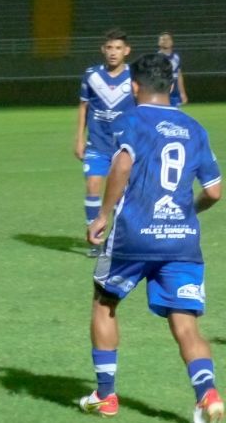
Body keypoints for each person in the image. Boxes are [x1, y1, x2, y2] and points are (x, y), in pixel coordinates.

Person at [80, 53, 223, 422]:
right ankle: (207, 395)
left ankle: (106, 396)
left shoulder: (131, 119)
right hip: (182, 241)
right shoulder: (195, 128)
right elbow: (215, 191)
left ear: (133, 86)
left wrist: (102, 215)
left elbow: (123, 163)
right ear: (173, 86)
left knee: (104, 302)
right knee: (185, 322)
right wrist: (187, 210)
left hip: (134, 236)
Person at [74, 28, 135, 257]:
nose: (113, 52)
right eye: (109, 47)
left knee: (121, 193)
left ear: (126, 51)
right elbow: (83, 107)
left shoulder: (133, 76)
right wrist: (79, 138)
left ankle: (117, 240)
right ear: (103, 49)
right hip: (97, 143)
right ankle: (95, 240)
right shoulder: (91, 75)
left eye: (118, 48)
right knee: (92, 186)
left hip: (124, 146)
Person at [158, 31, 189, 107]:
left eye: (168, 39)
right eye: (163, 39)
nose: (165, 41)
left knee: (175, 114)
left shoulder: (176, 57)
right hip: (163, 91)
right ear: (159, 42)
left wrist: (182, 93)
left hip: (175, 92)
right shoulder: (156, 58)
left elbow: (179, 75)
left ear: (172, 42)